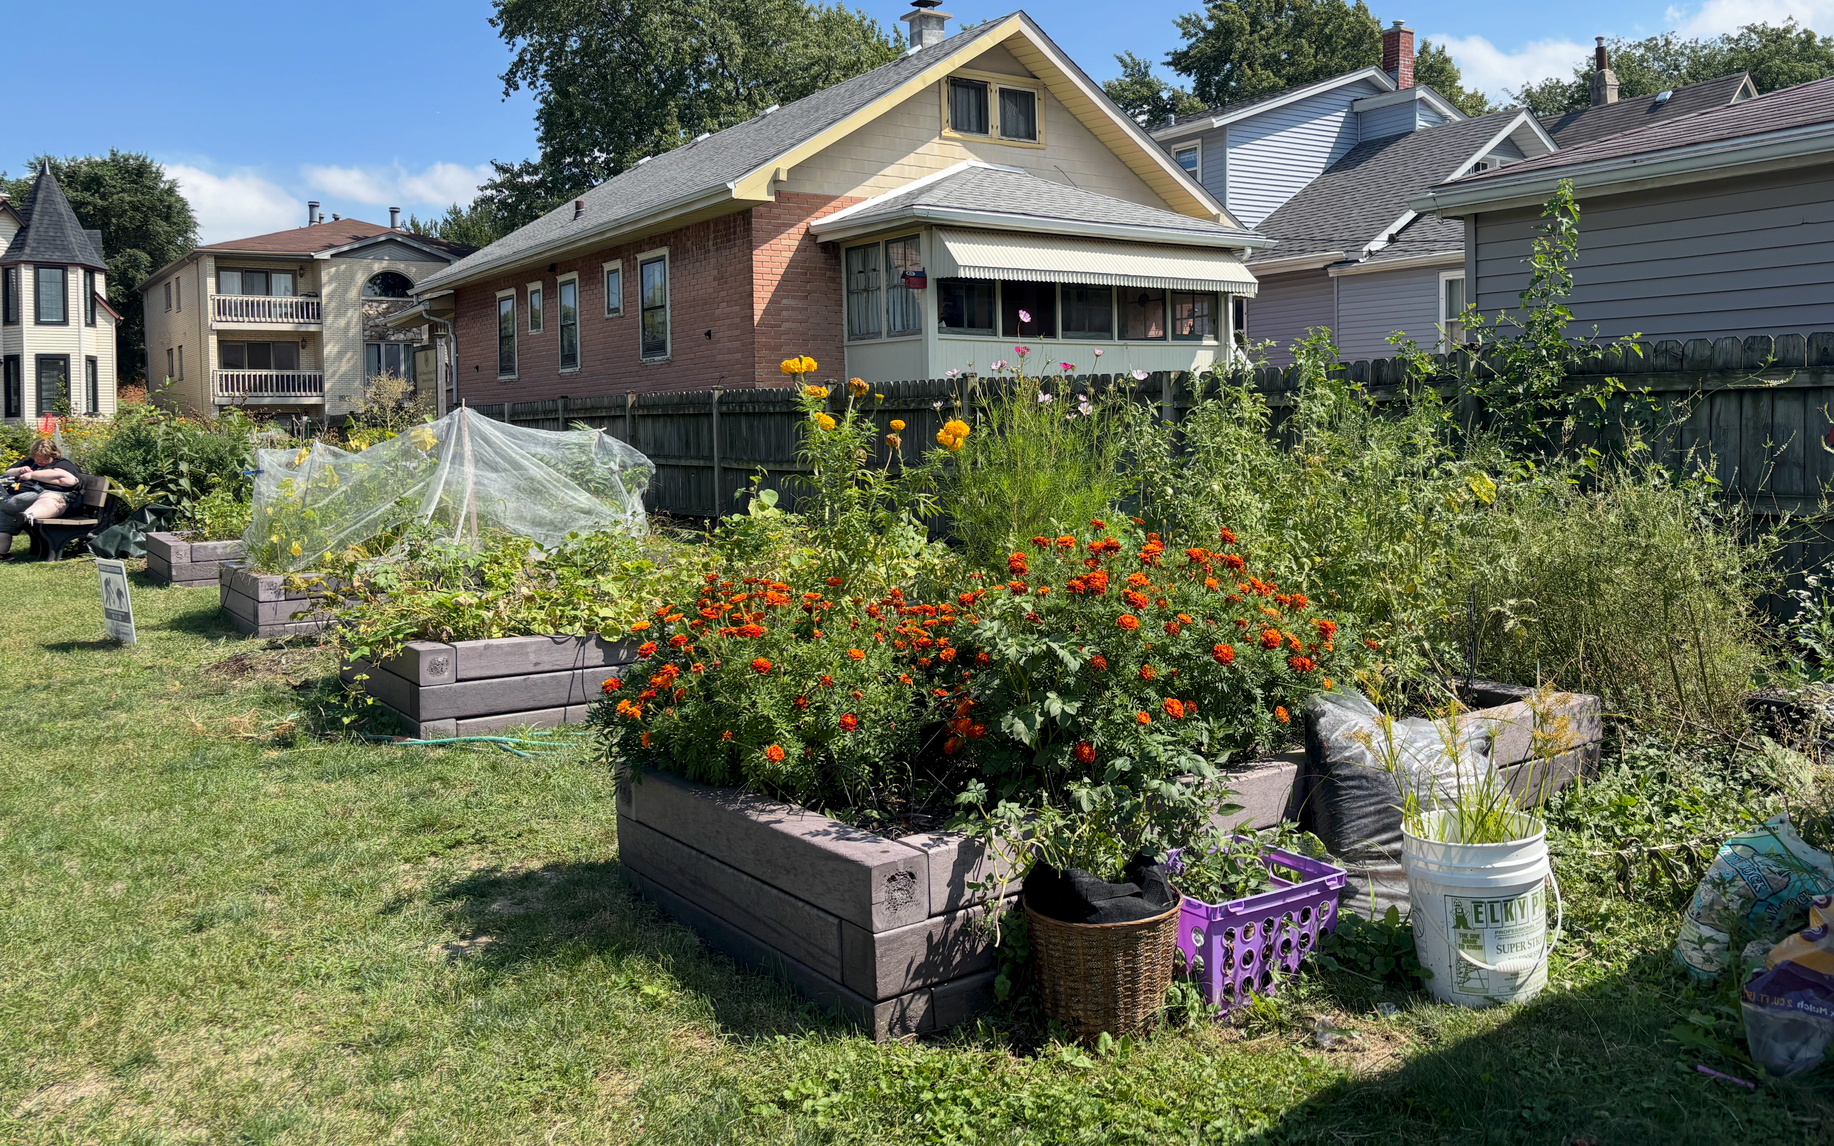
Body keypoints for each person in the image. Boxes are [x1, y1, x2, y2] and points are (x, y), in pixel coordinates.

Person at [0, 439, 82, 560]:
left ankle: (28, 516)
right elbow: (8, 473)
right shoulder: (30, 462)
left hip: (57, 499)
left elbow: (70, 480)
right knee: (4, 514)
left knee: (48, 498)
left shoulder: (62, 464)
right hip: (21, 498)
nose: (39, 461)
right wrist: (20, 470)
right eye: (37, 458)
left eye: (43, 459)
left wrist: (32, 475)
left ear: (53, 455)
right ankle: (2, 553)